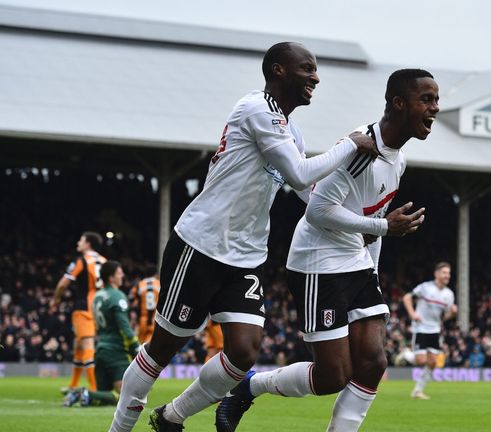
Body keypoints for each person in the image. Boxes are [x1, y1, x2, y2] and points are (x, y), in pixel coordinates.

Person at [109, 41, 376, 432]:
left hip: (245, 256)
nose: (315, 77)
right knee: (163, 347)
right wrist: (349, 144)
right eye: (307, 68)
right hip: (201, 245)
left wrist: (361, 223)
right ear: (278, 71)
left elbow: (310, 196)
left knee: (244, 352)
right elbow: (302, 174)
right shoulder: (257, 109)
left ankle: (172, 416)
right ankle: (118, 429)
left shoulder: (290, 132)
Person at [215, 68, 438, 432]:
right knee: (333, 375)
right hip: (318, 261)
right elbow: (318, 210)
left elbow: (372, 222)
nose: (435, 108)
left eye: (436, 100)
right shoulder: (361, 149)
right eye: (426, 99)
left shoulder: (397, 159)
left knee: (375, 361)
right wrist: (383, 226)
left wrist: (374, 275)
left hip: (355, 262)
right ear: (399, 103)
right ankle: (250, 386)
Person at [66, 261, 140, 407]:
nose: (122, 275)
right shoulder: (117, 296)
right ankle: (84, 393)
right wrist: (136, 347)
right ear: (111, 278)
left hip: (100, 350)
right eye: (119, 273)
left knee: (102, 399)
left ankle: (86, 395)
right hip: (116, 352)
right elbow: (124, 327)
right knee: (129, 399)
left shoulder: (97, 296)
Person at [51, 231, 107, 394]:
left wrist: (56, 299)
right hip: (99, 308)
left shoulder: (81, 260)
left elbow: (63, 284)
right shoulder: (104, 261)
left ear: (88, 244)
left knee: (87, 344)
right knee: (79, 344)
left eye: (81, 240)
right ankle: (73, 386)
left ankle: (94, 389)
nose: (78, 242)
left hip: (83, 308)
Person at [397, 262, 457, 399]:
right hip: (421, 328)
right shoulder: (425, 287)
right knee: (420, 360)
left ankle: (417, 391)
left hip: (435, 329)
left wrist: (452, 313)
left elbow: (444, 317)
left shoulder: (449, 294)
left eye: (448, 273)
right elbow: (407, 297)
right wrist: (412, 314)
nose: (447, 275)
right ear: (437, 274)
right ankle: (406, 354)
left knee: (433, 362)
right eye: (444, 272)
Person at [130, 265, 161, 344]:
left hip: (142, 320)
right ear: (155, 274)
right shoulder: (159, 284)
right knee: (151, 346)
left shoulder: (139, 285)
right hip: (155, 320)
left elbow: (132, 301)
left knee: (140, 346)